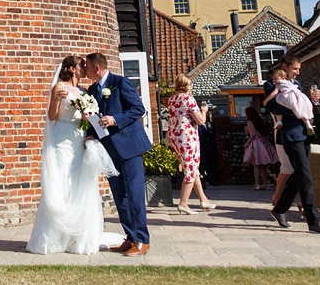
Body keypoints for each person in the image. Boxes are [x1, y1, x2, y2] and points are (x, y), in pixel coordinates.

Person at [26, 55, 120, 254]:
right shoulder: (59, 88)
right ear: (71, 69)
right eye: (81, 66)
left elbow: (88, 118)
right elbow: (52, 116)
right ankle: (55, 237)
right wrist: (55, 102)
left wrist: (87, 119)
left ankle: (76, 237)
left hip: (78, 141)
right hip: (62, 140)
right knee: (62, 181)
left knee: (80, 183)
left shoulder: (84, 91)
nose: (84, 69)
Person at [85, 52, 153, 256]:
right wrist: (90, 135)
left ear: (97, 68)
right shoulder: (92, 89)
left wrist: (115, 119)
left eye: (87, 67)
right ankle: (130, 237)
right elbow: (93, 116)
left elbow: (138, 109)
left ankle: (142, 239)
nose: (85, 71)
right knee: (119, 196)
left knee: (134, 195)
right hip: (108, 150)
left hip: (130, 147)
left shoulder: (120, 82)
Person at [265, 54, 320, 234]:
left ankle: (279, 209)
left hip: (304, 133)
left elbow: (302, 107)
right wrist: (295, 108)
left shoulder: (297, 85)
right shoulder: (272, 84)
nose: (297, 73)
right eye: (295, 69)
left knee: (300, 175)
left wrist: (313, 101)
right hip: (289, 135)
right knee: (305, 176)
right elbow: (273, 107)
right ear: (285, 66)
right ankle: (313, 221)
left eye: (299, 69)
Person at [166, 74, 217, 214]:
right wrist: (204, 111)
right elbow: (200, 121)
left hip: (174, 135)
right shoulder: (188, 99)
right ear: (187, 85)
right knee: (190, 169)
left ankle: (203, 200)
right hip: (187, 136)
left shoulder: (171, 99)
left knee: (192, 167)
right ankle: (183, 203)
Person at [263, 68, 315, 136]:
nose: (274, 81)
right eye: (273, 79)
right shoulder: (291, 83)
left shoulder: (278, 84)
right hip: (296, 96)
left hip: (286, 97)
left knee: (279, 102)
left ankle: (279, 121)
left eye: (276, 78)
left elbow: (274, 93)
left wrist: (265, 101)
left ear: (283, 77)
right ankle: (308, 124)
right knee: (301, 110)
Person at [243, 106, 278, 190]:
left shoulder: (250, 122)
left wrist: (246, 143)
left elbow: (253, 134)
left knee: (256, 164)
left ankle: (257, 184)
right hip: (263, 142)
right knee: (262, 165)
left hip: (256, 144)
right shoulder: (259, 121)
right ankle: (265, 184)